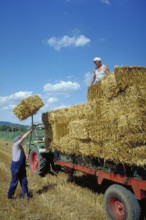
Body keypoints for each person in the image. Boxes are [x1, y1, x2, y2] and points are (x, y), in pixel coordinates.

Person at [7, 128, 33, 199]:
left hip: (21, 167)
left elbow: (22, 153)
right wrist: (30, 131)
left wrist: (26, 156)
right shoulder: (16, 145)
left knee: (24, 181)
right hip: (16, 166)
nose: (22, 142)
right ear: (18, 141)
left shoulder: (20, 147)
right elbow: (23, 137)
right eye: (20, 141)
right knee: (14, 182)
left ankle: (25, 194)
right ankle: (10, 196)